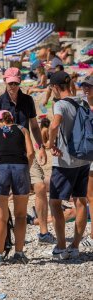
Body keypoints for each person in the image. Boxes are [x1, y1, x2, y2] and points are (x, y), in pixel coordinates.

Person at [0, 67, 55, 244]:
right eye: (10, 83)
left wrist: (40, 147)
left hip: (26, 154)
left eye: (16, 83)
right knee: (3, 196)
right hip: (3, 157)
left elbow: (34, 125)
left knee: (39, 186)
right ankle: (8, 236)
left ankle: (43, 232)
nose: (14, 86)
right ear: (4, 81)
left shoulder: (27, 100)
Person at [0, 110, 35, 264]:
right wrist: (26, 168)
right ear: (12, 119)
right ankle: (19, 253)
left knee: (1, 217)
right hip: (20, 168)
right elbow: (31, 153)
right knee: (20, 215)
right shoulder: (22, 130)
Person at [48, 71, 91, 259]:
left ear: (56, 88)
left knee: (55, 202)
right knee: (81, 201)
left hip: (65, 161)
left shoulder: (60, 104)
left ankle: (61, 247)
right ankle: (75, 246)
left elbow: (55, 124)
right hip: (84, 158)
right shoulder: (81, 101)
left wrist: (51, 143)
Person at [80, 76, 93, 247]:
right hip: (85, 153)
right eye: (84, 86)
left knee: (90, 195)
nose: (86, 88)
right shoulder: (81, 105)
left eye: (90, 86)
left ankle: (91, 235)